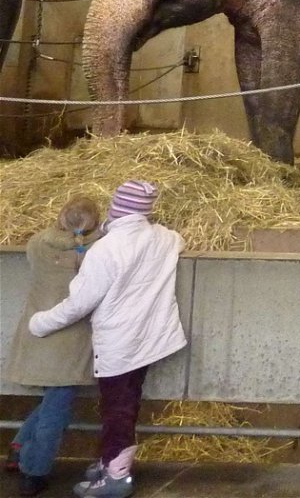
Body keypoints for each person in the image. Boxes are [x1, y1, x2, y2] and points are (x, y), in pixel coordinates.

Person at [28, 182, 185, 498]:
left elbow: (79, 304)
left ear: (117, 208)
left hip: (120, 342)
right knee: (129, 402)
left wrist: (40, 323)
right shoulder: (165, 238)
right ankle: (109, 459)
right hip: (150, 339)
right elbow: (180, 240)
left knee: (116, 409)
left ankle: (116, 475)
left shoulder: (106, 249)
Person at [5, 197, 102, 497]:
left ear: (60, 217)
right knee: (56, 412)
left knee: (52, 400)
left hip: (38, 334)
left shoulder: (36, 244)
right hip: (71, 342)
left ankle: (20, 445)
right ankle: (34, 471)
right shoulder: (97, 252)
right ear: (94, 224)